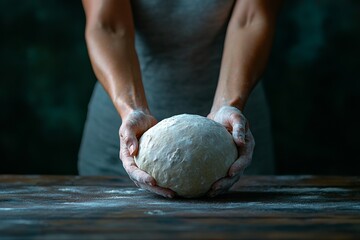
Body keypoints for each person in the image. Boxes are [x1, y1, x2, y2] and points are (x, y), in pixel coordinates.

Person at [79, 0, 282, 198]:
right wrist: (132, 110)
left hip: (234, 134)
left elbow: (250, 19)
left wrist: (228, 104)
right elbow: (109, 25)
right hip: (124, 133)